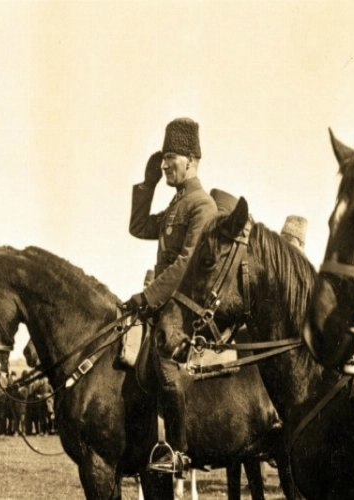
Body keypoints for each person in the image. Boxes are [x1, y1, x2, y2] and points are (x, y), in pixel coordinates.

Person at [122, 117, 217, 474]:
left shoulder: (202, 206)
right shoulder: (178, 204)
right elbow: (138, 227)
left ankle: (179, 450)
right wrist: (147, 185)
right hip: (163, 304)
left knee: (164, 362)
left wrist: (146, 297)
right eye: (162, 158)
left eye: (170, 158)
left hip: (184, 308)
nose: (164, 165)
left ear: (190, 161)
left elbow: (184, 264)